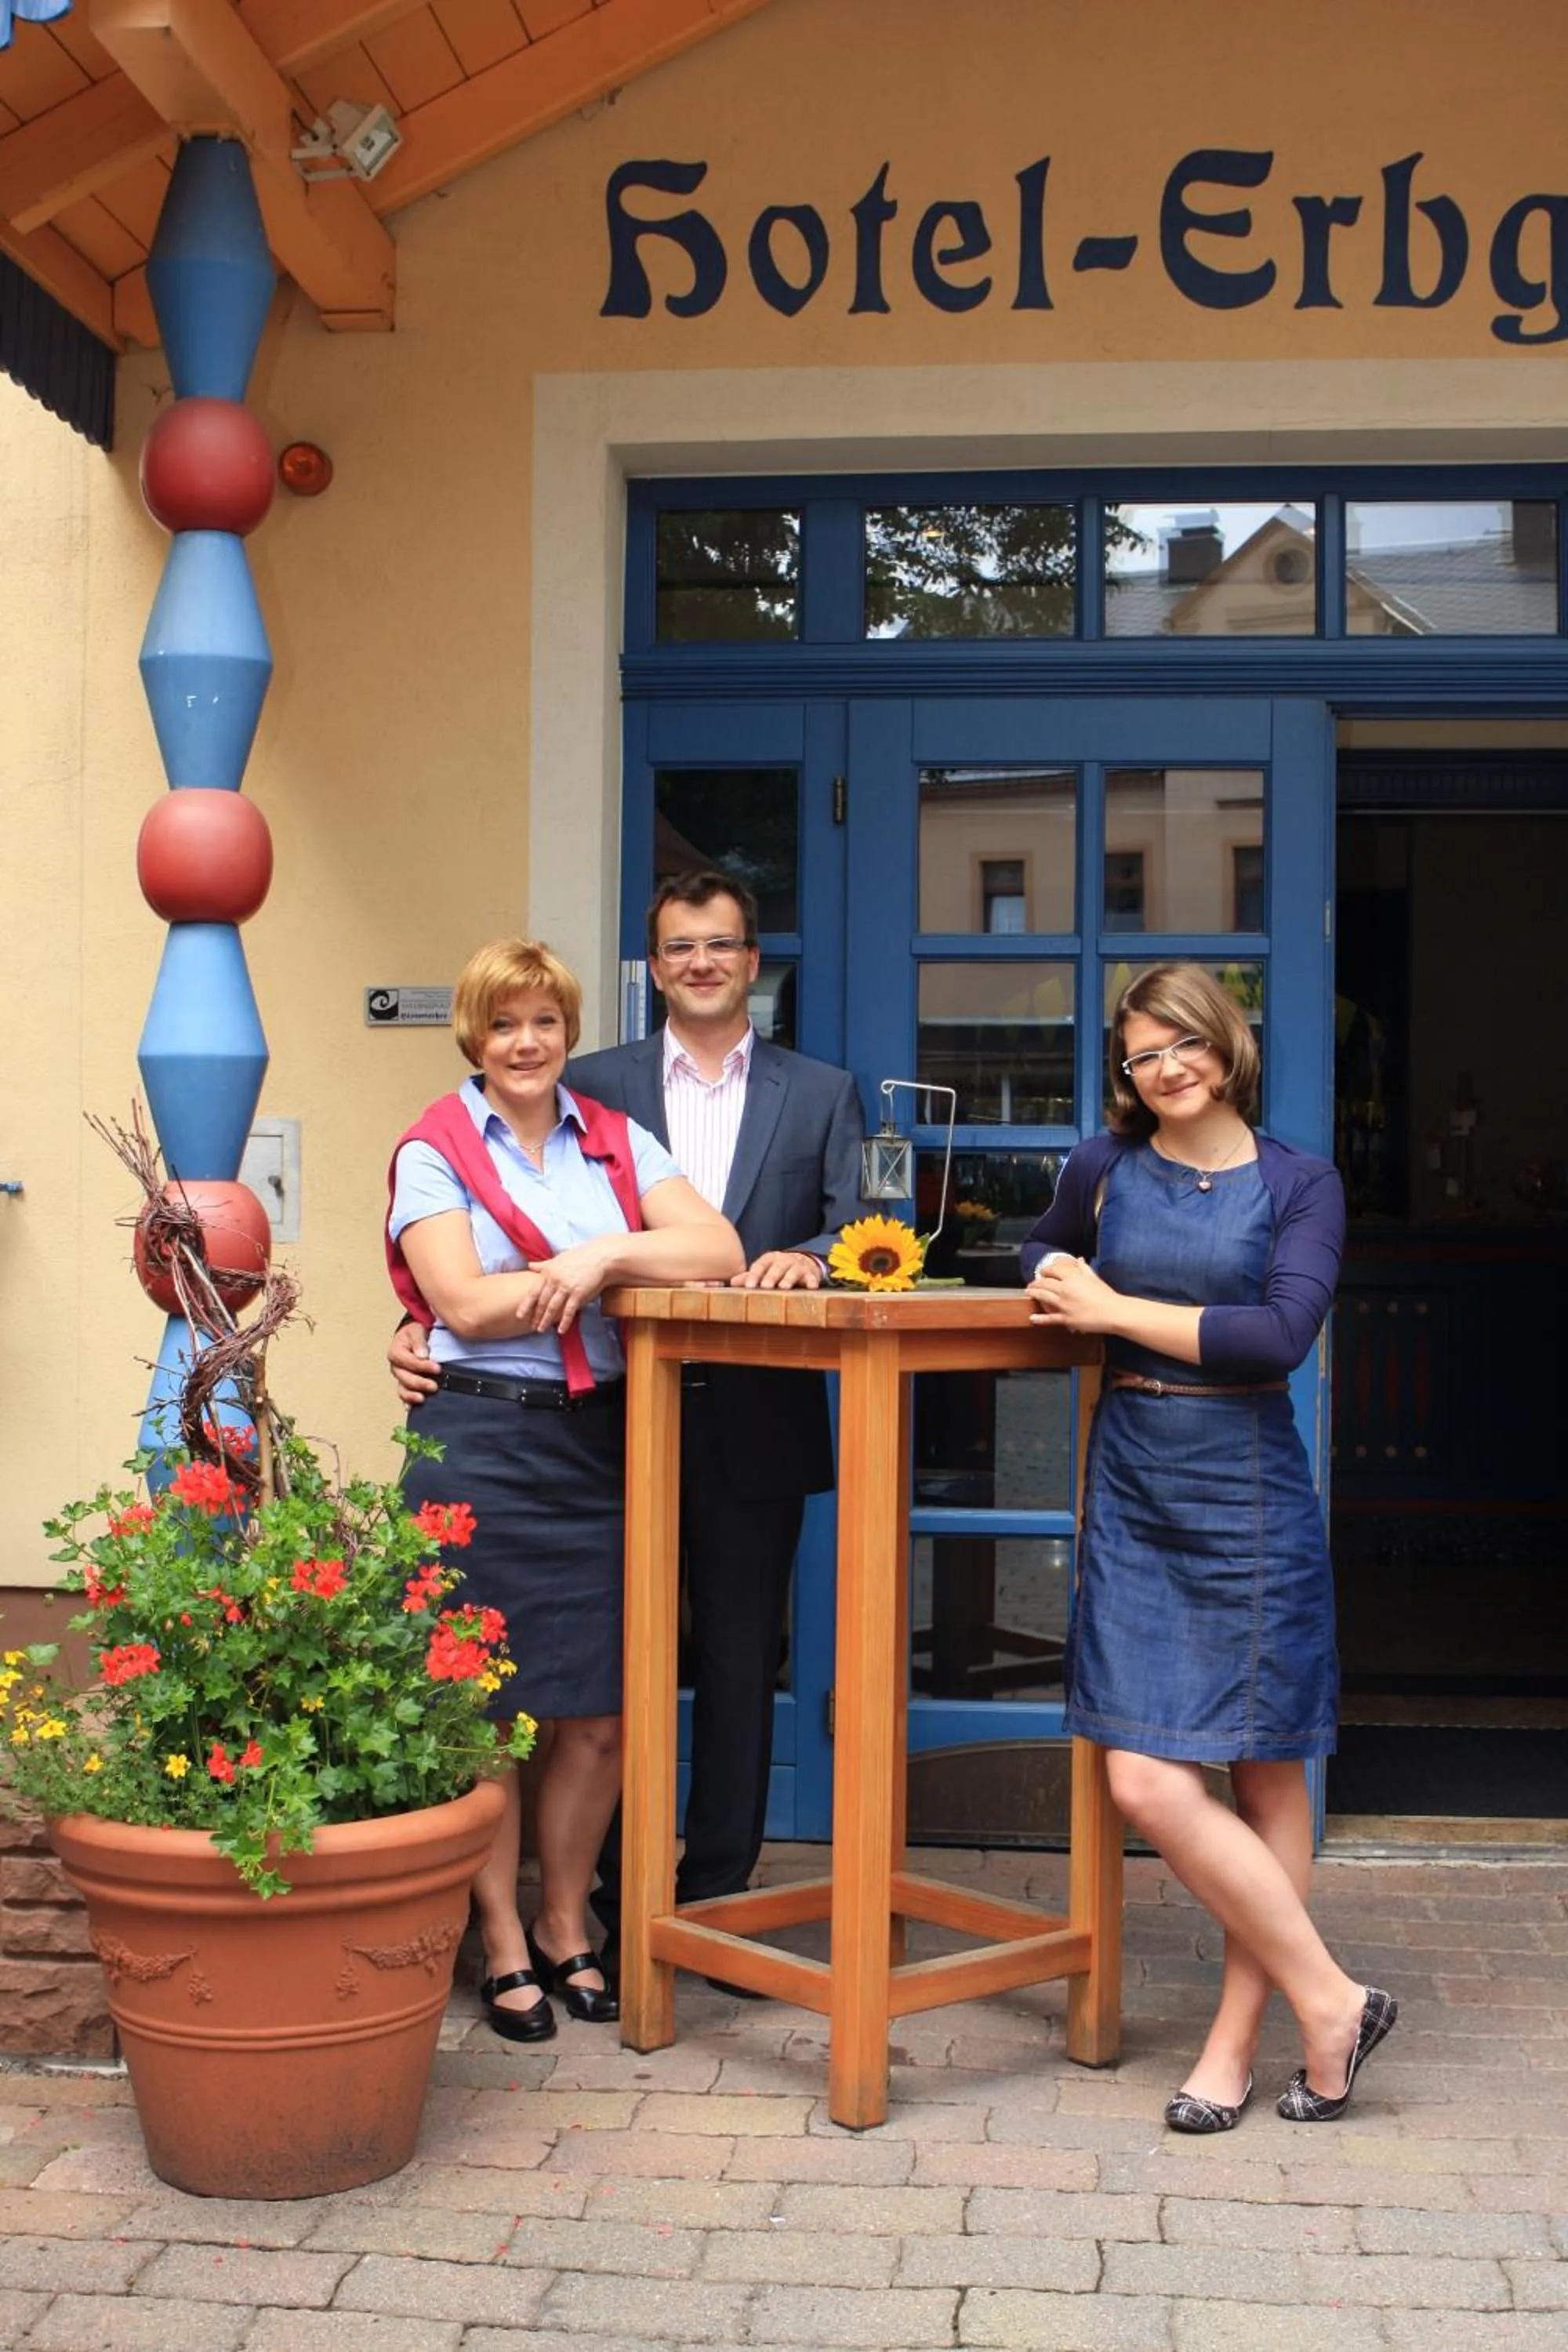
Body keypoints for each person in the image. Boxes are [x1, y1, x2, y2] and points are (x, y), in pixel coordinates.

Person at [392, 871, 869, 1989]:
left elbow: (855, 1223)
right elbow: (455, 1280)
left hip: (745, 1417)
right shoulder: (589, 1085)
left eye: (722, 944)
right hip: (597, 1428)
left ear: (754, 961)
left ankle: (710, 1911)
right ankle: (591, 1906)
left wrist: (798, 1253)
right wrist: (423, 1324)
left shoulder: (820, 1090)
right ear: (652, 967)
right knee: (562, 1686)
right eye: (678, 947)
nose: (701, 962)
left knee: (728, 1662)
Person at [1022, 963, 1396, 2129]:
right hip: (1133, 1477)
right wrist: (1049, 1278)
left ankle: (1242, 2043)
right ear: (1125, 1074)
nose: (1166, 1067)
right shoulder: (1103, 1167)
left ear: (1224, 1042)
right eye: (1142, 1055)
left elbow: (1274, 1336)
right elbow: (1034, 1263)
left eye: (1181, 1042)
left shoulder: (1303, 1181)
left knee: (1267, 1762)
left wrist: (1113, 1311)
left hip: (1247, 1486)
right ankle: (1332, 1998)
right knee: (1144, 1774)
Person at [387, 937, 743, 2043]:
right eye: (503, 1025)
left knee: (595, 1711)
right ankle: (497, 1940)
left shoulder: (613, 1136)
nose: (526, 1042)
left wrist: (605, 1259)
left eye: (544, 1021)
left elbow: (721, 1248)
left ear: (567, 1032)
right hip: (481, 1441)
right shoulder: (432, 1147)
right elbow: (460, 1302)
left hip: (604, 1445)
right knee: (481, 1710)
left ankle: (561, 1922)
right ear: (474, 1039)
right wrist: (607, 1266)